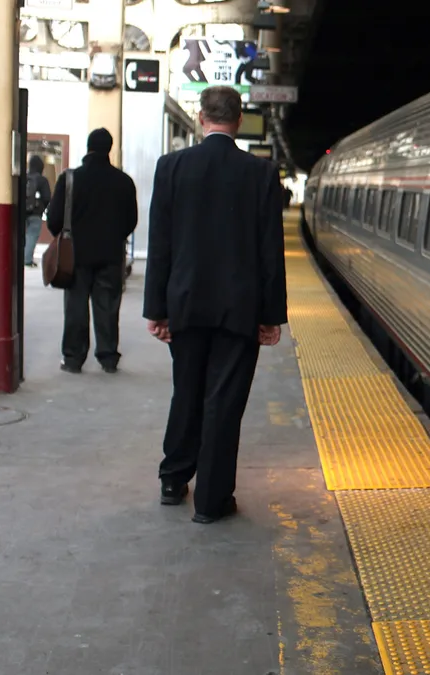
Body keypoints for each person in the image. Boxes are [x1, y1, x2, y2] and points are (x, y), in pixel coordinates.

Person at [143, 85, 287, 524]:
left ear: (202, 118)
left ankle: (173, 479)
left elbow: (160, 244)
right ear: (239, 120)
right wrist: (271, 317)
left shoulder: (171, 167)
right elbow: (270, 251)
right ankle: (211, 501)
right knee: (223, 403)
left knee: (186, 389)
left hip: (185, 304)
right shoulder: (261, 174)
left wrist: (156, 309)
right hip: (239, 310)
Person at [47, 129, 138, 374]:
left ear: (88, 148)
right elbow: (131, 221)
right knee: (107, 306)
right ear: (109, 149)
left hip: (75, 256)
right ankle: (108, 357)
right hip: (110, 255)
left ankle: (74, 358)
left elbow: (54, 220)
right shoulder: (124, 181)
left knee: (75, 307)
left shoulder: (70, 179)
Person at [23, 155, 51, 267]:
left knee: (21, 236)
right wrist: (42, 208)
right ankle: (27, 259)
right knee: (32, 235)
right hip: (36, 214)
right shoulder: (42, 180)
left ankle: (20, 257)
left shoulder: (24, 178)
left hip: (23, 212)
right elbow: (47, 197)